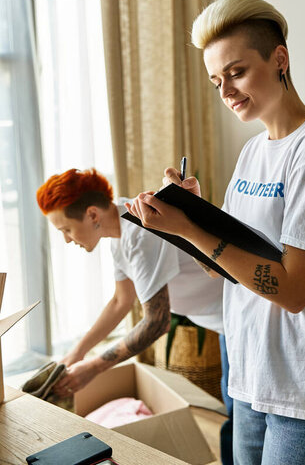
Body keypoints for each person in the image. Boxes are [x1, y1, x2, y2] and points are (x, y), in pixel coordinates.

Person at [126, 0, 305, 465]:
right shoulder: (254, 152)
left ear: (279, 59)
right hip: (251, 377)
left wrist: (192, 230)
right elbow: (229, 270)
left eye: (236, 72)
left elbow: (293, 291)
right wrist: (190, 217)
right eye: (216, 80)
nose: (226, 91)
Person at [36, 167, 233, 464]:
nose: (66, 240)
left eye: (65, 229)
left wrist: (92, 369)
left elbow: (156, 321)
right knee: (238, 417)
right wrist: (76, 353)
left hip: (238, 317)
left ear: (92, 215)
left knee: (242, 421)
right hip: (225, 322)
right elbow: (120, 301)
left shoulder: (140, 233)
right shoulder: (119, 233)